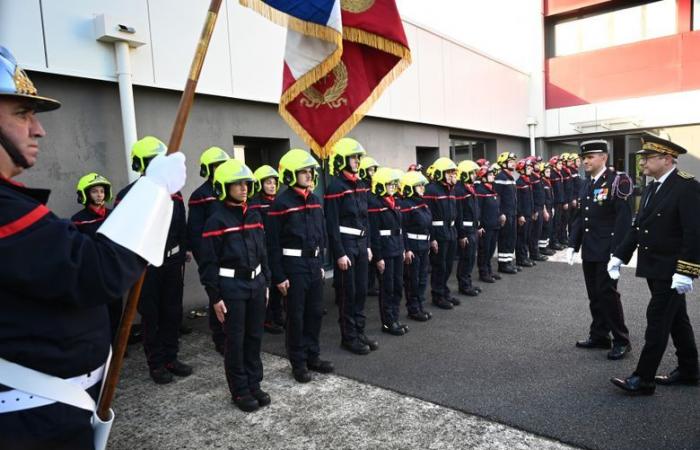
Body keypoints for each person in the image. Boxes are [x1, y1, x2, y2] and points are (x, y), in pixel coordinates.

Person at [0, 45, 185, 449]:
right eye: (21, 113)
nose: (39, 129)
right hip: (30, 423)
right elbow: (94, 271)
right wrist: (152, 190)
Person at [609, 134, 700, 394]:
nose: (643, 162)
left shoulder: (687, 186)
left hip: (672, 269)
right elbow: (639, 226)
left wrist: (686, 271)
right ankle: (689, 369)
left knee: (657, 319)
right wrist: (619, 255)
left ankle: (644, 378)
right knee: (677, 319)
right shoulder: (652, 186)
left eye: (648, 157)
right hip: (655, 266)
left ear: (667, 158)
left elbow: (694, 232)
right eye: (643, 157)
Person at [115, 136, 192, 384]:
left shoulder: (174, 194)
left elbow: (181, 225)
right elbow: (122, 233)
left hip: (172, 264)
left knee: (172, 312)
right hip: (146, 267)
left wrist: (183, 252)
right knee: (152, 316)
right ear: (141, 164)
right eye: (151, 161)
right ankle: (156, 363)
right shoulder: (129, 195)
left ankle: (171, 357)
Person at [198, 159, 271, 412]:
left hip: (257, 285)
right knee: (236, 341)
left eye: (246, 184)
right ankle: (239, 391)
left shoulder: (254, 214)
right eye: (237, 184)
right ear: (223, 187)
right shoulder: (215, 221)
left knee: (254, 336)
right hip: (231, 288)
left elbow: (263, 252)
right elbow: (208, 263)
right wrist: (215, 296)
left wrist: (267, 282)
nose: (243, 188)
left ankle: (254, 383)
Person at [267, 149, 333, 383]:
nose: (308, 175)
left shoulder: (315, 200)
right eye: (303, 172)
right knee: (296, 316)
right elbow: (272, 244)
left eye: (310, 171)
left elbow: (321, 233)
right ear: (291, 175)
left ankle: (312, 356)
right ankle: (298, 363)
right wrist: (279, 275)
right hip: (292, 266)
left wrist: (321, 262)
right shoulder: (280, 204)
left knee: (315, 313)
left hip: (314, 264)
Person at [567, 140, 631, 361]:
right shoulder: (586, 183)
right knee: (594, 295)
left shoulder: (617, 182)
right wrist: (572, 245)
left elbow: (623, 220)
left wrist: (618, 253)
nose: (585, 161)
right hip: (591, 249)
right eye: (584, 157)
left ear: (603, 157)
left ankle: (622, 340)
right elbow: (580, 218)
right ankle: (600, 335)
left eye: (590, 157)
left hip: (607, 251)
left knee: (608, 295)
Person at [324, 137, 378, 355]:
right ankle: (349, 337)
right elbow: (332, 223)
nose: (357, 161)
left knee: (361, 291)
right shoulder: (336, 186)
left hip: (361, 244)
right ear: (341, 160)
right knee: (348, 292)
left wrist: (368, 245)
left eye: (357, 158)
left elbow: (366, 220)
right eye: (353, 158)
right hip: (346, 246)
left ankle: (359, 331)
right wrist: (339, 253)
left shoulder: (361, 185)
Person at [187, 146, 230, 354]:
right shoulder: (200, 196)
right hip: (212, 256)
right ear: (207, 169)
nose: (220, 168)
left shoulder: (229, 190)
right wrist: (203, 259)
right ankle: (220, 338)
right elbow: (195, 233)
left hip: (232, 255)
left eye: (223, 164)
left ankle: (232, 333)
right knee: (217, 296)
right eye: (216, 166)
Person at [71, 172, 122, 342]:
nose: (99, 194)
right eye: (94, 191)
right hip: (93, 275)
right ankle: (102, 345)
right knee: (100, 313)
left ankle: (114, 345)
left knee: (116, 310)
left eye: (101, 191)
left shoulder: (114, 214)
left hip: (113, 273)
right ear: (85, 194)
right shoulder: (78, 220)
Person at [368, 167, 407, 335]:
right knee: (387, 288)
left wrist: (403, 248)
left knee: (398, 286)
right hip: (385, 251)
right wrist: (378, 257)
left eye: (394, 184)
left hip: (397, 248)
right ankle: (387, 322)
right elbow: (374, 232)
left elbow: (400, 228)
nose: (393, 187)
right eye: (389, 184)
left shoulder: (395, 202)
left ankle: (395, 318)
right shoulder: (375, 204)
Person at [249, 164, 285, 335]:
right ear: (260, 184)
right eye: (268, 182)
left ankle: (278, 315)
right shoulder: (254, 205)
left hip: (277, 248)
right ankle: (267, 319)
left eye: (274, 182)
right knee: (267, 285)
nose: (272, 185)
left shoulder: (279, 201)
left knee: (279, 283)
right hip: (263, 251)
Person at [424, 157, 460, 309]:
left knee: (448, 265)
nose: (453, 176)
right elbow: (428, 216)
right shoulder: (431, 190)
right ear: (440, 174)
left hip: (450, 231)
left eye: (453, 173)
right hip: (438, 232)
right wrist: (432, 238)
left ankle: (444, 292)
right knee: (439, 266)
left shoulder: (451, 190)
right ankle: (438, 296)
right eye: (449, 173)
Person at [399, 170, 433, 321]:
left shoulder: (422, 203)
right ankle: (413, 309)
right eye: (419, 186)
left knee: (422, 278)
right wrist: (406, 249)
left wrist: (431, 240)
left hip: (423, 245)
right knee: (413, 279)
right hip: (412, 246)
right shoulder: (405, 205)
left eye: (422, 186)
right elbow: (403, 229)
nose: (422, 188)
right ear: (410, 187)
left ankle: (419, 305)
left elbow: (427, 225)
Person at [455, 160, 481, 296]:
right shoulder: (459, 190)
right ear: (465, 174)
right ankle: (464, 285)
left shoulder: (469, 188)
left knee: (471, 258)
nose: (475, 175)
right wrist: (462, 234)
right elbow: (458, 214)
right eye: (472, 173)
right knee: (466, 258)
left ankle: (468, 282)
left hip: (472, 229)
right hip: (466, 231)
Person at [476, 164, 503, 283]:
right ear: (483, 177)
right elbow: (478, 210)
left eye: (492, 174)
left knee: (491, 249)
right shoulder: (480, 191)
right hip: (486, 226)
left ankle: (489, 270)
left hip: (495, 224)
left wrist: (500, 215)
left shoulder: (492, 188)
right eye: (490, 175)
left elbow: (497, 205)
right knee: (484, 250)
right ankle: (483, 272)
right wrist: (479, 226)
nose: (493, 176)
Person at [494, 152, 519, 274]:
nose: (513, 163)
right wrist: (501, 213)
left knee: (511, 238)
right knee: (504, 238)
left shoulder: (510, 177)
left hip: (512, 212)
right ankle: (503, 265)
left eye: (514, 161)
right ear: (503, 163)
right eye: (510, 161)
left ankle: (508, 262)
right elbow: (497, 197)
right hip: (505, 214)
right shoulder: (500, 177)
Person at [359, 156, 380, 297]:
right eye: (370, 170)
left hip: (374, 223)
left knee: (373, 257)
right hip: (366, 225)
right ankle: (367, 286)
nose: (373, 173)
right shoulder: (362, 188)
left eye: (374, 170)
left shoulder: (373, 187)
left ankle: (371, 285)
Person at [515, 158, 535, 267]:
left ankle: (525, 257)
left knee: (527, 237)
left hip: (528, 213)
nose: (530, 169)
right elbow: (518, 201)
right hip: (523, 215)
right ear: (522, 170)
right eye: (528, 168)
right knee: (521, 238)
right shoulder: (519, 182)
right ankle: (520, 259)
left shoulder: (527, 181)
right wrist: (520, 215)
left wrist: (532, 211)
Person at [528, 158, 549, 261]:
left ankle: (536, 252)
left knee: (538, 231)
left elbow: (541, 195)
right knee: (534, 233)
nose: (539, 165)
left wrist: (544, 209)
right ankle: (534, 254)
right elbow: (532, 196)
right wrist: (534, 210)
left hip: (541, 207)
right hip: (536, 208)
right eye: (536, 163)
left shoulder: (538, 176)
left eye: (539, 163)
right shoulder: (531, 178)